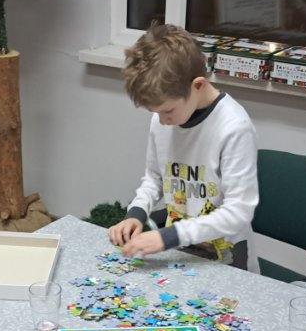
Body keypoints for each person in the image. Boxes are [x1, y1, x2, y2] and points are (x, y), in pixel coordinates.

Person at [107, 23, 260, 272]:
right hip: (181, 252)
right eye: (155, 112)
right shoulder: (162, 120)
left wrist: (169, 236)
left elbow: (239, 211)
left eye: (168, 111)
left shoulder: (234, 127)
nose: (162, 121)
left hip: (228, 256)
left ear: (197, 85)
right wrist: (136, 214)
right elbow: (155, 178)